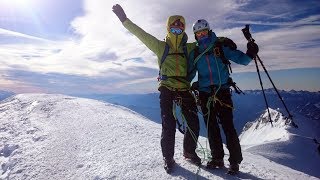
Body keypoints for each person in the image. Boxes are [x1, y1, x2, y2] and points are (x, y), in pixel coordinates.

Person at [112, 4, 201, 173]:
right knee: (169, 123)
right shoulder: (160, 46)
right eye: (173, 29)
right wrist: (124, 20)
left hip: (183, 86)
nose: (177, 31)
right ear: (168, 29)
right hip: (167, 87)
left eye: (179, 28)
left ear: (183, 30)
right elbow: (141, 34)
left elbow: (206, 44)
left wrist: (222, 41)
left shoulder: (189, 47)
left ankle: (189, 152)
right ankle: (168, 157)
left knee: (193, 122)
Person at [188, 19, 259, 173]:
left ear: (209, 31)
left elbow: (242, 60)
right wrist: (182, 85)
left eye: (204, 32)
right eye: (198, 33)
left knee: (228, 127)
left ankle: (234, 162)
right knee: (212, 127)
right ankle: (217, 158)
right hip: (205, 94)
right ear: (195, 36)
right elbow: (191, 73)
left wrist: (250, 53)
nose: (202, 35)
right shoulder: (196, 52)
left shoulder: (219, 46)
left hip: (222, 92)